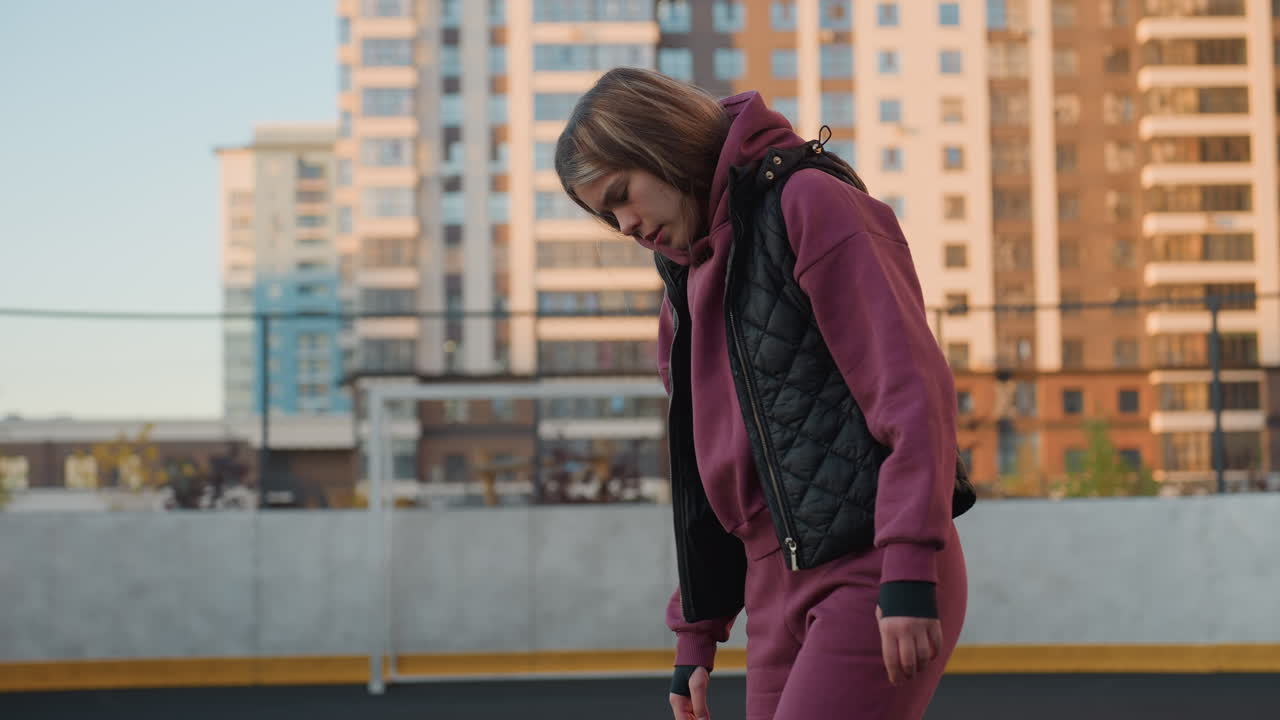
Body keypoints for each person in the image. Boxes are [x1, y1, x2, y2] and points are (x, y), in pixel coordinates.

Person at [554, 68, 976, 720]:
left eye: (622, 194)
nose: (627, 224)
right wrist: (697, 630)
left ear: (663, 145)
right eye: (607, 215)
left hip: (870, 565)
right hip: (772, 588)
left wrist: (909, 567)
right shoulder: (681, 297)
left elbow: (912, 390)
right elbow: (708, 474)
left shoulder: (809, 203)